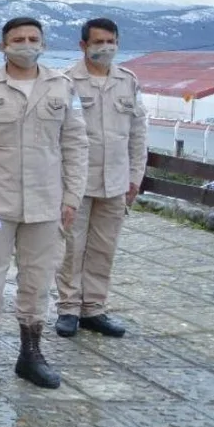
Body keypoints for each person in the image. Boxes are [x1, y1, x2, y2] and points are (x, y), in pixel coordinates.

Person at [0, 16, 87, 390]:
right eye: (17, 39)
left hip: (46, 203)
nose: (26, 44)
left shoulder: (62, 88)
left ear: (43, 43)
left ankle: (31, 355)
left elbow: (75, 145)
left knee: (38, 281)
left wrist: (72, 196)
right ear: (3, 46)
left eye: (32, 38)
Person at [56, 18, 147, 338]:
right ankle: (68, 308)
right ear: (83, 46)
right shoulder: (66, 81)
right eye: (98, 42)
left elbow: (137, 134)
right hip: (77, 183)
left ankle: (94, 308)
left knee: (103, 248)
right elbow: (58, 136)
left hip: (116, 181)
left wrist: (135, 178)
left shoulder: (128, 81)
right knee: (72, 247)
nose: (105, 48)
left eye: (111, 41)